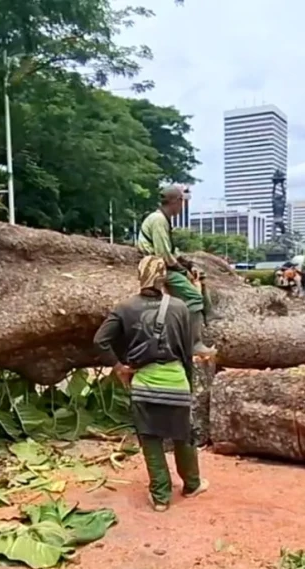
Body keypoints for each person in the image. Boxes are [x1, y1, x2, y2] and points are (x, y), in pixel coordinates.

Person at [93, 255, 208, 512]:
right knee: (183, 435)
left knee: (150, 437)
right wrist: (187, 384)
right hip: (176, 381)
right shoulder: (180, 308)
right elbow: (187, 351)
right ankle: (192, 485)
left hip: (144, 383)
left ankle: (160, 498)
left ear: (139, 276)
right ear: (164, 277)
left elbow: (100, 340)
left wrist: (119, 366)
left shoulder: (125, 308)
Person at [137, 186, 214, 357]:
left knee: (200, 278)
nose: (183, 206)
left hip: (164, 263)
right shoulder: (158, 220)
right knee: (193, 297)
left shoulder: (163, 219)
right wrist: (182, 271)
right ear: (176, 201)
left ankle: (209, 315)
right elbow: (163, 254)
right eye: (182, 202)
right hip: (156, 267)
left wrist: (188, 265)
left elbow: (173, 251)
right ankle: (195, 343)